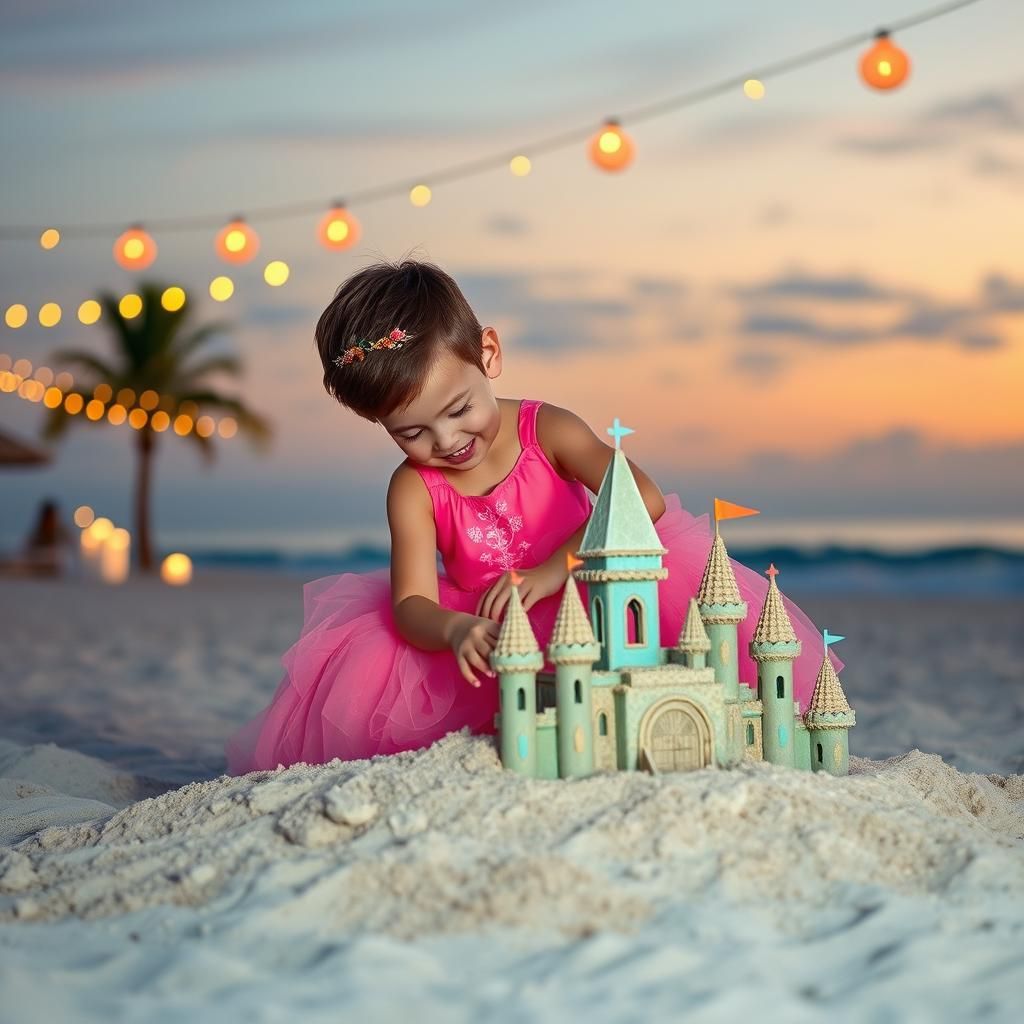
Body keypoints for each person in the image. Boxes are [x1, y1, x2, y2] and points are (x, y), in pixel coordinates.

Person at [224, 259, 842, 775]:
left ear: (488, 354)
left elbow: (643, 499)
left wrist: (555, 568)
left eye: (460, 408)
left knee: (680, 654)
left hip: (588, 590)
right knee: (412, 668)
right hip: (490, 623)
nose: (446, 440)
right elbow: (410, 602)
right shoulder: (413, 489)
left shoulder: (546, 430)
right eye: (411, 432)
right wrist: (454, 631)